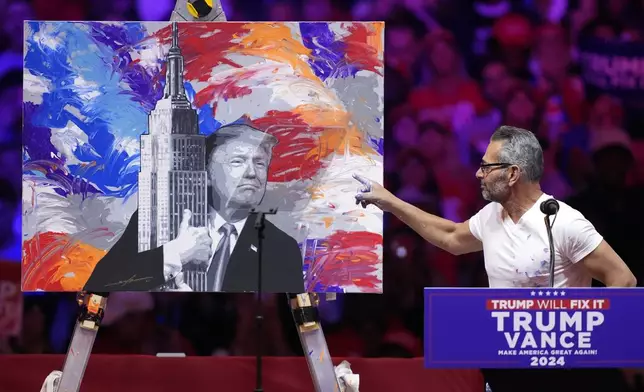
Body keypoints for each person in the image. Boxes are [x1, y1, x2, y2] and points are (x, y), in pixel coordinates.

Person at [354, 125, 636, 392]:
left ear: (513, 174)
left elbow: (623, 280)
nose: (478, 173)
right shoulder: (491, 215)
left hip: (563, 374)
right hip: (506, 367)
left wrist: (585, 338)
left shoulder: (563, 221)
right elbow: (451, 237)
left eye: (486, 166)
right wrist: (389, 201)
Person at [84, 123, 305, 293]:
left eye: (260, 163)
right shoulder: (156, 221)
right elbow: (98, 288)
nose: (252, 173)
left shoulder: (281, 249)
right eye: (237, 161)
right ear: (207, 175)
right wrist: (173, 255)